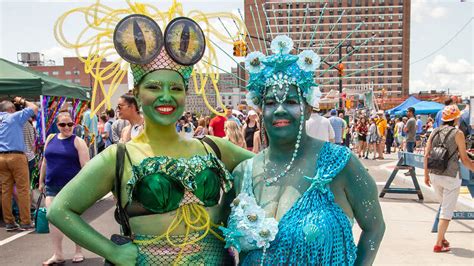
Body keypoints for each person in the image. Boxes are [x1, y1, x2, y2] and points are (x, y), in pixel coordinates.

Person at [48, 9, 254, 265]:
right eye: (154, 87)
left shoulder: (214, 147)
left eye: (175, 88)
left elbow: (267, 166)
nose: (166, 96)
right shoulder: (119, 156)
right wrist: (111, 251)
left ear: (184, 94)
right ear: (137, 92)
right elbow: (59, 210)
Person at [222, 35, 384, 265]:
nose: (279, 109)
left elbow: (375, 229)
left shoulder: (339, 164)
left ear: (307, 109)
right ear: (260, 110)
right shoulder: (243, 173)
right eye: (270, 103)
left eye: (290, 101)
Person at [38, 112, 90, 265]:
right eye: (63, 124)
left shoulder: (78, 141)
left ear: (74, 124)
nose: (67, 127)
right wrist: (41, 182)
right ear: (57, 125)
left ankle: (78, 250)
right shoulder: (50, 138)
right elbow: (45, 162)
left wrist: (84, 188)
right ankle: (58, 254)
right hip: (51, 186)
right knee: (53, 220)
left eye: (70, 124)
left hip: (71, 187)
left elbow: (86, 167)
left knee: (73, 219)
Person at [424, 105, 474, 253]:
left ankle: (442, 238)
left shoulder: (434, 131)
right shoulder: (458, 133)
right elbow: (464, 159)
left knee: (444, 207)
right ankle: (438, 244)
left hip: (434, 174)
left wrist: (426, 175)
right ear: (456, 119)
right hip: (450, 176)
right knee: (446, 211)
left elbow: (427, 155)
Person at [0, 97, 38, 231]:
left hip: (1, 157)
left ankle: (9, 222)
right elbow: (34, 108)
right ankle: (26, 221)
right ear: (10, 109)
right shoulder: (13, 117)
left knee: (5, 191)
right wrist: (21, 100)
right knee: (23, 190)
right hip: (16, 156)